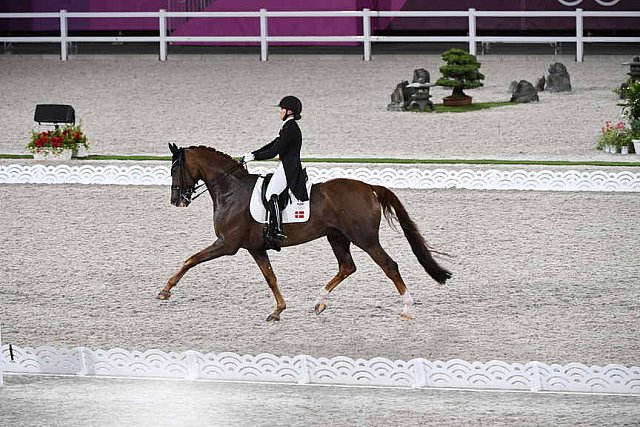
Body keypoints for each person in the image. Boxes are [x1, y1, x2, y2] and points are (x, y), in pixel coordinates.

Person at [243, 96, 309, 250]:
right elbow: (273, 143)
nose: (280, 112)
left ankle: (277, 230)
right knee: (271, 191)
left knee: (271, 193)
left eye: (282, 109)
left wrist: (256, 157)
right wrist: (253, 153)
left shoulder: (291, 128)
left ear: (289, 111)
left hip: (288, 167)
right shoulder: (287, 126)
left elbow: (274, 151)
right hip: (284, 165)